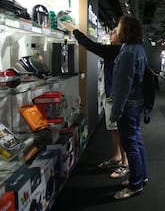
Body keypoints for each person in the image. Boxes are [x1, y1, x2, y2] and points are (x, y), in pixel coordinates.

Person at [63, 22, 129, 179]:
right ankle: (117, 157)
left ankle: (125, 163)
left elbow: (90, 45)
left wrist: (75, 30)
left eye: (114, 32)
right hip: (110, 94)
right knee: (113, 129)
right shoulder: (116, 50)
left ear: (120, 36)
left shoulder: (115, 50)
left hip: (114, 97)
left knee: (119, 130)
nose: (110, 34)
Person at [109, 15, 148, 200]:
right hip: (136, 102)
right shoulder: (137, 48)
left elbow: (123, 85)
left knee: (130, 144)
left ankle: (135, 184)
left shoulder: (128, 52)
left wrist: (115, 111)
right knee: (136, 141)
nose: (115, 30)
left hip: (128, 105)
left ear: (126, 30)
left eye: (118, 26)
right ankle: (141, 176)